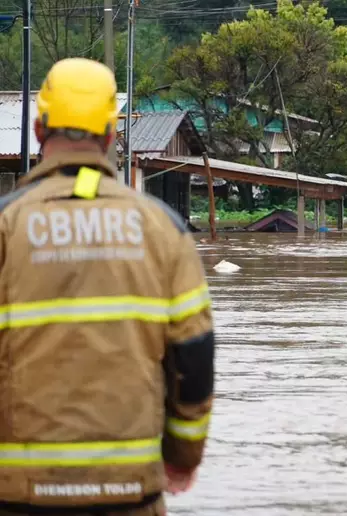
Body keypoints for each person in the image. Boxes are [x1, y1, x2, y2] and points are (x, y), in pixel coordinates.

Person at [0, 58, 214, 514]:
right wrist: (182, 458)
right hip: (129, 493)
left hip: (17, 495)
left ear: (38, 130)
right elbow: (194, 359)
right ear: (112, 136)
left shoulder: (5, 226)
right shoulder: (163, 229)